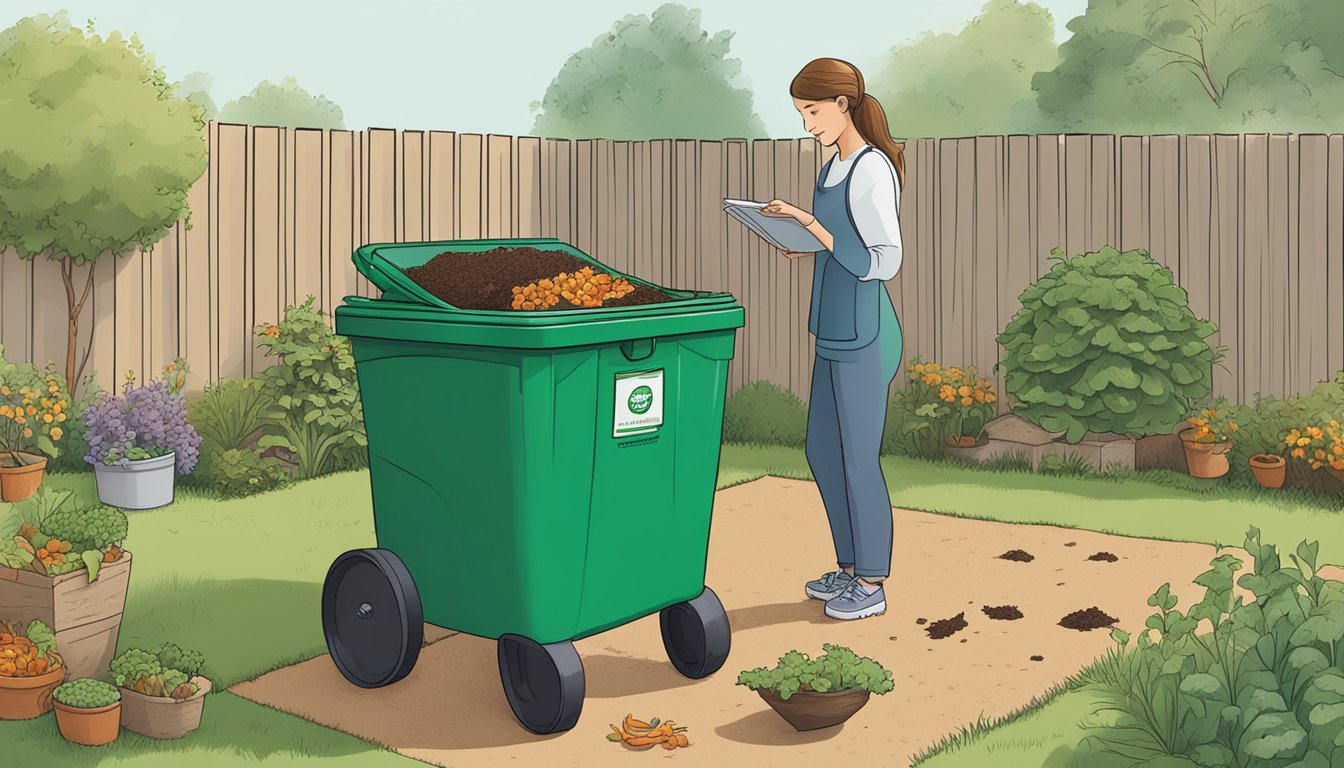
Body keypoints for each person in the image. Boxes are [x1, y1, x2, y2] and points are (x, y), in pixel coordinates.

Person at [759, 57, 904, 621]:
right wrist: (805, 243)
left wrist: (813, 226)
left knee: (859, 459)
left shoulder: (871, 169)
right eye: (801, 114)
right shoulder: (832, 168)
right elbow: (840, 246)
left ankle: (872, 580)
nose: (807, 125)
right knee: (823, 451)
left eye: (812, 112)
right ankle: (848, 568)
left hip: (866, 332)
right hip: (832, 328)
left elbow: (884, 260)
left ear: (843, 106)